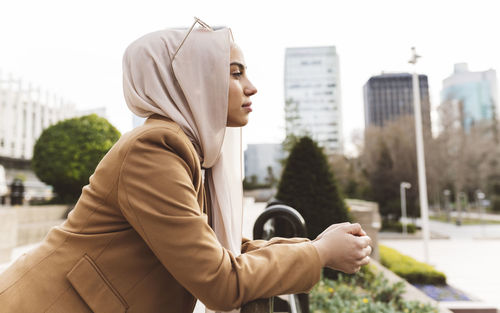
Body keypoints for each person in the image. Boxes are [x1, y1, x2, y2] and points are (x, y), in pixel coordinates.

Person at [0, 18, 372, 313]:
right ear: (194, 81)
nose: (251, 87)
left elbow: (218, 249)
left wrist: (317, 246)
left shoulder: (189, 150)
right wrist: (320, 254)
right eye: (235, 72)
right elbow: (220, 281)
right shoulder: (156, 148)